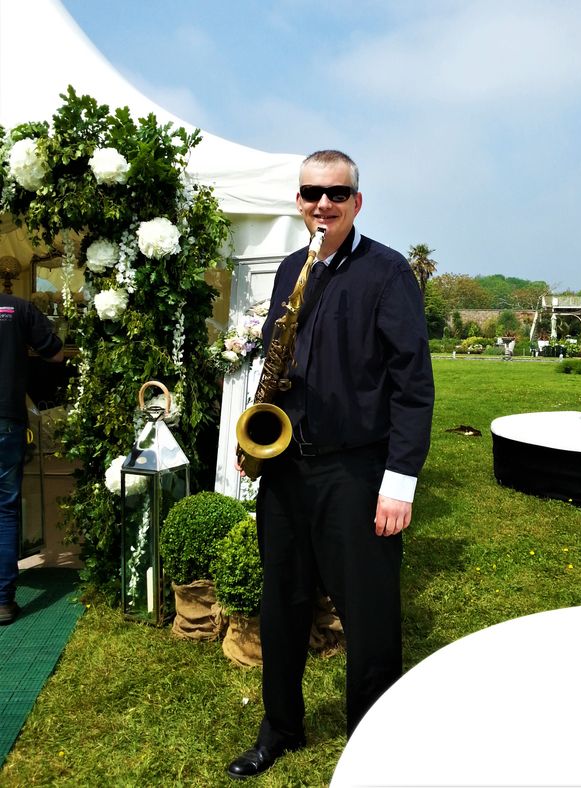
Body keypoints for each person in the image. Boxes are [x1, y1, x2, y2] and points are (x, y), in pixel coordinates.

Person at [227, 150, 434, 780]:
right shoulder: (293, 267)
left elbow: (412, 385)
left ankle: (371, 742)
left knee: (369, 616)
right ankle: (280, 727)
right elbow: (277, 360)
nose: (324, 205)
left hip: (357, 472)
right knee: (281, 604)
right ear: (299, 200)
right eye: (313, 193)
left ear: (356, 202)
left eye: (337, 194)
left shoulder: (388, 272)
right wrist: (255, 433)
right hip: (287, 466)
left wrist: (398, 483)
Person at [0, 293, 64, 625]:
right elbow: (54, 353)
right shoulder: (16, 308)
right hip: (7, 419)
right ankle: (3, 601)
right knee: (5, 509)